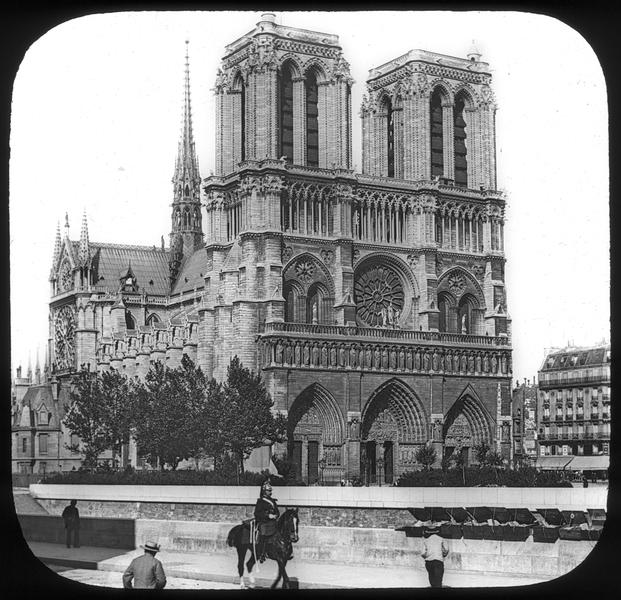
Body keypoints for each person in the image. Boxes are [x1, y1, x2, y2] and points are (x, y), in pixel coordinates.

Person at [254, 479, 291, 562]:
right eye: (268, 491)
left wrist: (276, 515)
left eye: (270, 491)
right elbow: (257, 513)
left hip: (273, 522)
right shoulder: (260, 501)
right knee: (264, 533)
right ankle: (262, 553)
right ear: (264, 491)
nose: (270, 492)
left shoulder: (273, 501)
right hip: (264, 522)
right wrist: (268, 515)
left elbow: (277, 511)